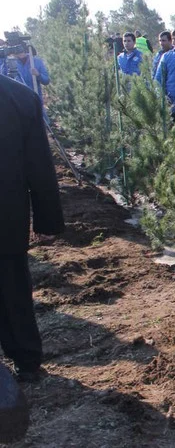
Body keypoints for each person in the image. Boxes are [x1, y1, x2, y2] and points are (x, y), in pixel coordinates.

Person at [0, 75, 64, 384]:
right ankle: (25, 359)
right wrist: (47, 220)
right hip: (7, 213)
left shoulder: (20, 98)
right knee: (12, 284)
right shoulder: (19, 97)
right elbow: (39, 165)